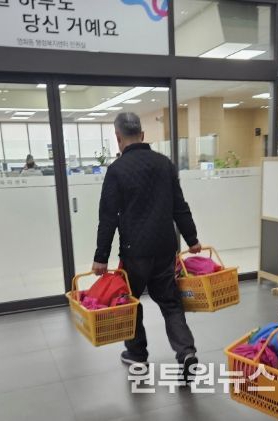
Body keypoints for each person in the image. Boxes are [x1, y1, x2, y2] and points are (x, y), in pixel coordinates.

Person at [92, 112, 201, 380]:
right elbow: (179, 206)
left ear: (118, 137)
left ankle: (137, 353)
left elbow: (108, 217)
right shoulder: (164, 164)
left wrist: (101, 256)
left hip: (135, 252)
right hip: (165, 248)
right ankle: (186, 352)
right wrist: (192, 239)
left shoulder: (117, 170)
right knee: (171, 303)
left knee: (130, 303)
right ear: (142, 135)